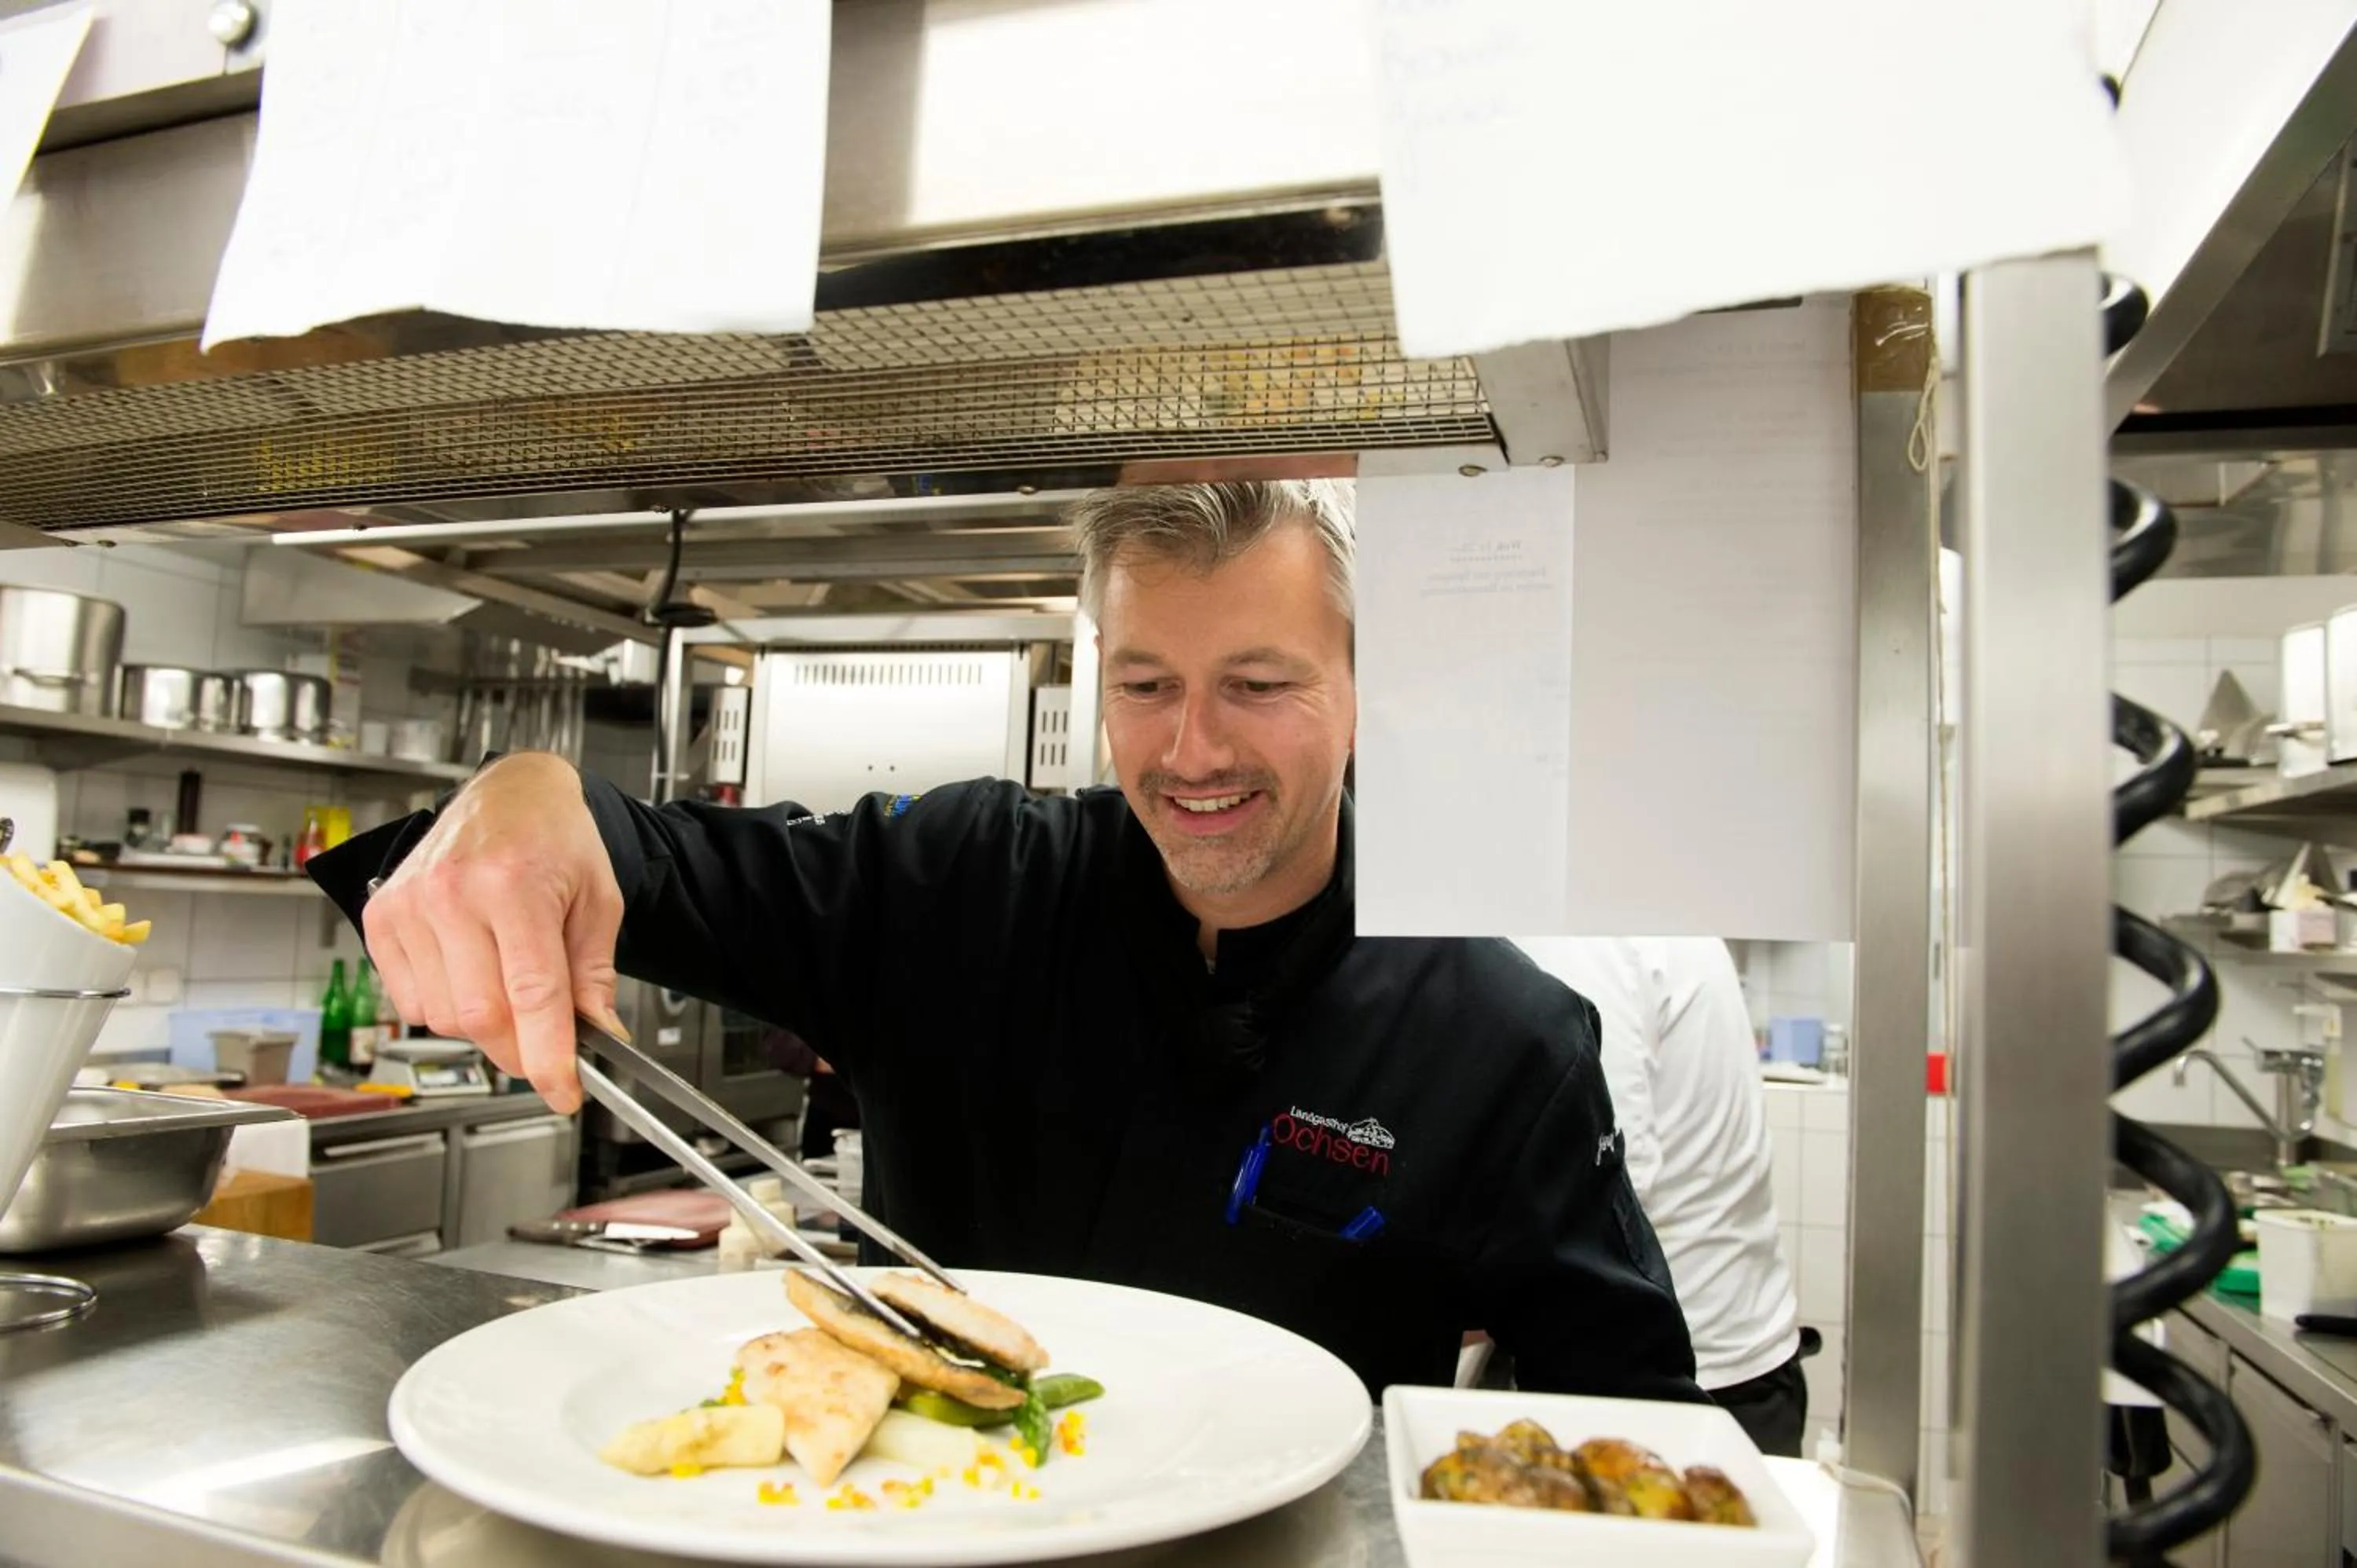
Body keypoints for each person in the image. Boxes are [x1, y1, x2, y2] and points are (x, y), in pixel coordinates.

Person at [310, 480, 1700, 1401]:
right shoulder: (957, 883)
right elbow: (654, 862)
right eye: (1147, 684)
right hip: (919, 1535)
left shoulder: (1499, 1030)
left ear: (1363, 687)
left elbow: (1631, 1413)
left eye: (1259, 687)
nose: (1194, 748)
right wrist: (528, 799)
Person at [1514, 937, 1807, 1453]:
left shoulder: (1583, 941)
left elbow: (1605, 1179)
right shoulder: (1666, 919)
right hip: (1738, 1348)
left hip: (1681, 1378)